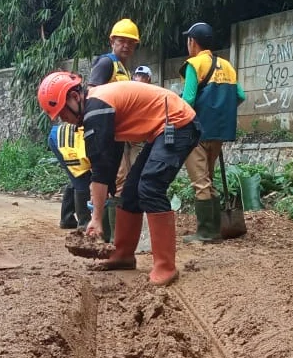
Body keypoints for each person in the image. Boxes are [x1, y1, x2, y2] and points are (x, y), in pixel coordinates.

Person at [38, 72, 200, 286]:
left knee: (150, 186)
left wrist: (96, 219)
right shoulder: (97, 107)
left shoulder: (97, 108)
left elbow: (100, 166)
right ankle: (123, 254)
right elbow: (109, 157)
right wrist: (109, 190)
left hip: (178, 124)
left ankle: (165, 265)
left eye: (62, 112)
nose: (63, 120)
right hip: (163, 128)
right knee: (131, 190)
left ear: (75, 97)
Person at [179, 22, 245, 243]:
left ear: (193, 42)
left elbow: (187, 100)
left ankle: (206, 232)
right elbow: (240, 96)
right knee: (208, 178)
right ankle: (215, 229)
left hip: (196, 132)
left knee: (200, 182)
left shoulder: (193, 64)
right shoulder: (227, 66)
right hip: (218, 132)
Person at [87, 18, 141, 236]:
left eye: (131, 42)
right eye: (122, 41)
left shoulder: (123, 70)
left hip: (119, 134)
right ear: (112, 41)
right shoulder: (106, 63)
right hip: (105, 132)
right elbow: (92, 91)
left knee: (118, 181)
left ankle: (110, 234)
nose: (126, 45)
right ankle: (110, 235)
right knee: (115, 180)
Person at [48, 121, 92, 229]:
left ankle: (67, 218)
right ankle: (84, 223)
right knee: (81, 177)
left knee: (76, 176)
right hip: (62, 141)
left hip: (62, 137)